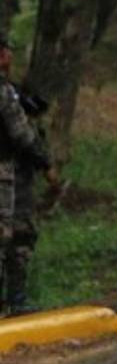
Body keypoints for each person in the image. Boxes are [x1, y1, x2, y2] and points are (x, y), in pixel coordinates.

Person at [0, 28, 55, 317]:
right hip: (6, 172)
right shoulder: (4, 92)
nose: (10, 55)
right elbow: (22, 134)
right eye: (7, 50)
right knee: (12, 234)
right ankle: (15, 300)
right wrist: (46, 164)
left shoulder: (11, 90)